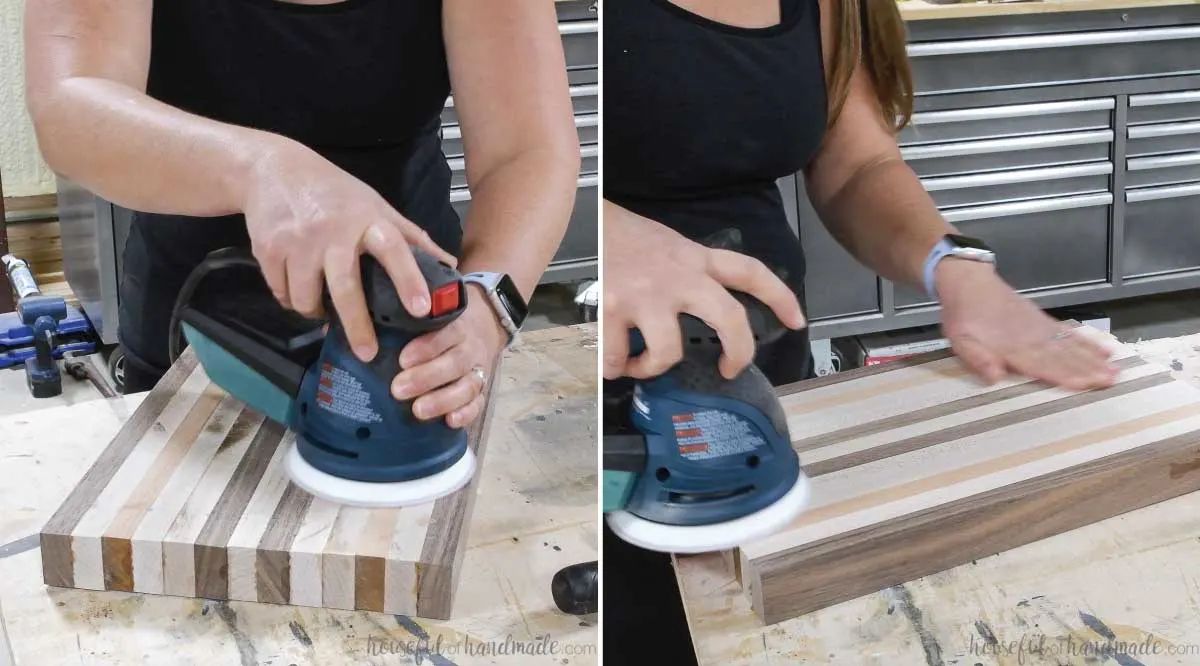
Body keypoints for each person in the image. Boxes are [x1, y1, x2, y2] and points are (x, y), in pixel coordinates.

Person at [601, 0, 1120, 663]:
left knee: (761, 627)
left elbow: (857, 164)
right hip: (601, 369)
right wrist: (612, 236)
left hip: (755, 372)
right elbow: (520, 153)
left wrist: (954, 268)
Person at [25, 0, 581, 431]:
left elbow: (527, 150)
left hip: (409, 328)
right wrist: (262, 168)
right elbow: (71, 103)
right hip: (194, 332)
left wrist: (485, 306)